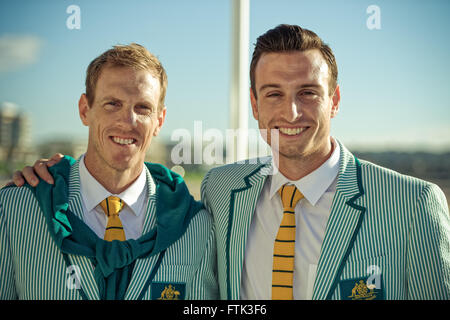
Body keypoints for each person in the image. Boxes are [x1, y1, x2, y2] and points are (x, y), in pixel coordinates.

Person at [11, 25, 450, 300]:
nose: (291, 112)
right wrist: (55, 176)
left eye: (308, 93)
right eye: (274, 93)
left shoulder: (413, 206)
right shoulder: (222, 193)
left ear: (334, 100)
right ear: (255, 106)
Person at [0, 43, 218, 300]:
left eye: (143, 108)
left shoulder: (196, 225)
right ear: (85, 110)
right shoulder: (14, 209)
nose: (128, 122)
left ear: (159, 121)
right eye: (112, 104)